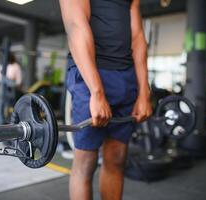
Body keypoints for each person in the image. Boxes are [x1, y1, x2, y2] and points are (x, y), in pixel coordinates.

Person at [60, 0, 153, 199]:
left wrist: (144, 92)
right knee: (86, 162)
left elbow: (137, 37)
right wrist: (97, 92)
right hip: (90, 73)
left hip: (126, 75)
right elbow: (76, 26)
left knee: (117, 159)